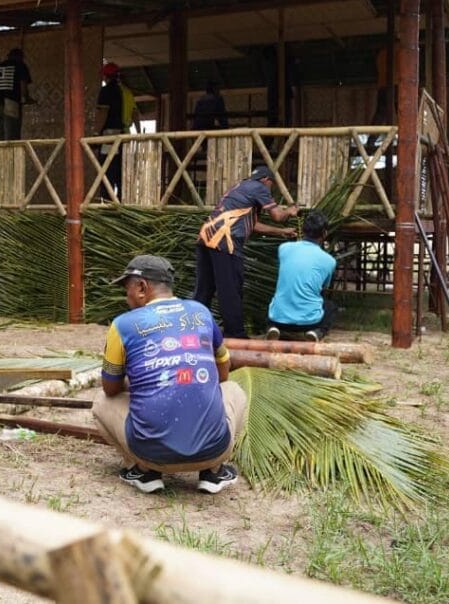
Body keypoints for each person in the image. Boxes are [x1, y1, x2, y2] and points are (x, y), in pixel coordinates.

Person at [92, 255, 247, 494]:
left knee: (101, 402)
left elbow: (110, 389)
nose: (127, 297)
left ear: (142, 287)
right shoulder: (201, 312)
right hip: (214, 448)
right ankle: (213, 471)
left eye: (128, 289)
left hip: (151, 454)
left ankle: (143, 471)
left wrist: (143, 382)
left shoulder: (122, 325)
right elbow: (223, 371)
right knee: (234, 389)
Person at [193, 166, 299, 339]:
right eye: (271, 185)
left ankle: (192, 331)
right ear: (267, 180)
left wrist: (281, 232)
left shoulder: (240, 188)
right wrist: (290, 211)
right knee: (231, 290)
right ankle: (235, 334)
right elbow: (278, 216)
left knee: (204, 289)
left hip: (205, 237)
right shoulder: (259, 187)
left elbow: (252, 225)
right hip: (224, 240)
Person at [265, 210, 338, 342]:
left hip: (279, 318)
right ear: (324, 234)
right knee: (330, 306)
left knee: (277, 299)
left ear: (303, 231)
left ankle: (272, 327)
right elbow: (323, 288)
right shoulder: (329, 261)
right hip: (309, 322)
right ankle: (317, 332)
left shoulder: (283, 248)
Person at [95, 62, 142, 197]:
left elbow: (103, 113)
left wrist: (96, 133)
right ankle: (122, 202)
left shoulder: (106, 91)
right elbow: (135, 114)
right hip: (126, 137)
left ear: (106, 76)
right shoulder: (127, 92)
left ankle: (108, 205)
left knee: (107, 172)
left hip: (110, 138)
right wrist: (138, 133)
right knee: (122, 172)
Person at [0, 48, 33, 141]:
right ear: (19, 57)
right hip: (11, 103)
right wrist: (26, 98)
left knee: (0, 138)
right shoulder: (20, 66)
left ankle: (0, 155)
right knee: (11, 137)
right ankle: (11, 156)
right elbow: (23, 85)